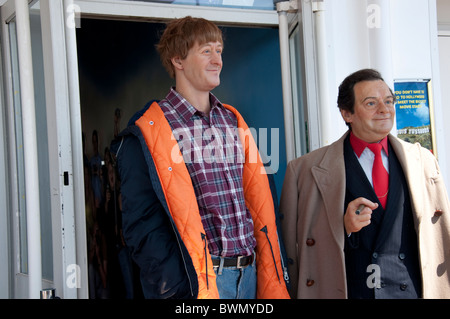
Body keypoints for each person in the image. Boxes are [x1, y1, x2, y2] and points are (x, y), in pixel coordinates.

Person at [110, 16, 289, 299]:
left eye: (219, 50)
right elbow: (142, 226)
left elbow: (259, 205)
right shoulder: (148, 132)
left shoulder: (234, 121)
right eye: (206, 50)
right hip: (199, 284)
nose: (217, 59)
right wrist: (175, 286)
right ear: (178, 60)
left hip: (252, 278)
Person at [280, 68, 450, 299]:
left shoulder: (425, 162)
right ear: (346, 114)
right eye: (371, 103)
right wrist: (342, 227)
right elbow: (293, 250)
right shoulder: (303, 170)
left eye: (389, 101)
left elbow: (441, 239)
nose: (384, 109)